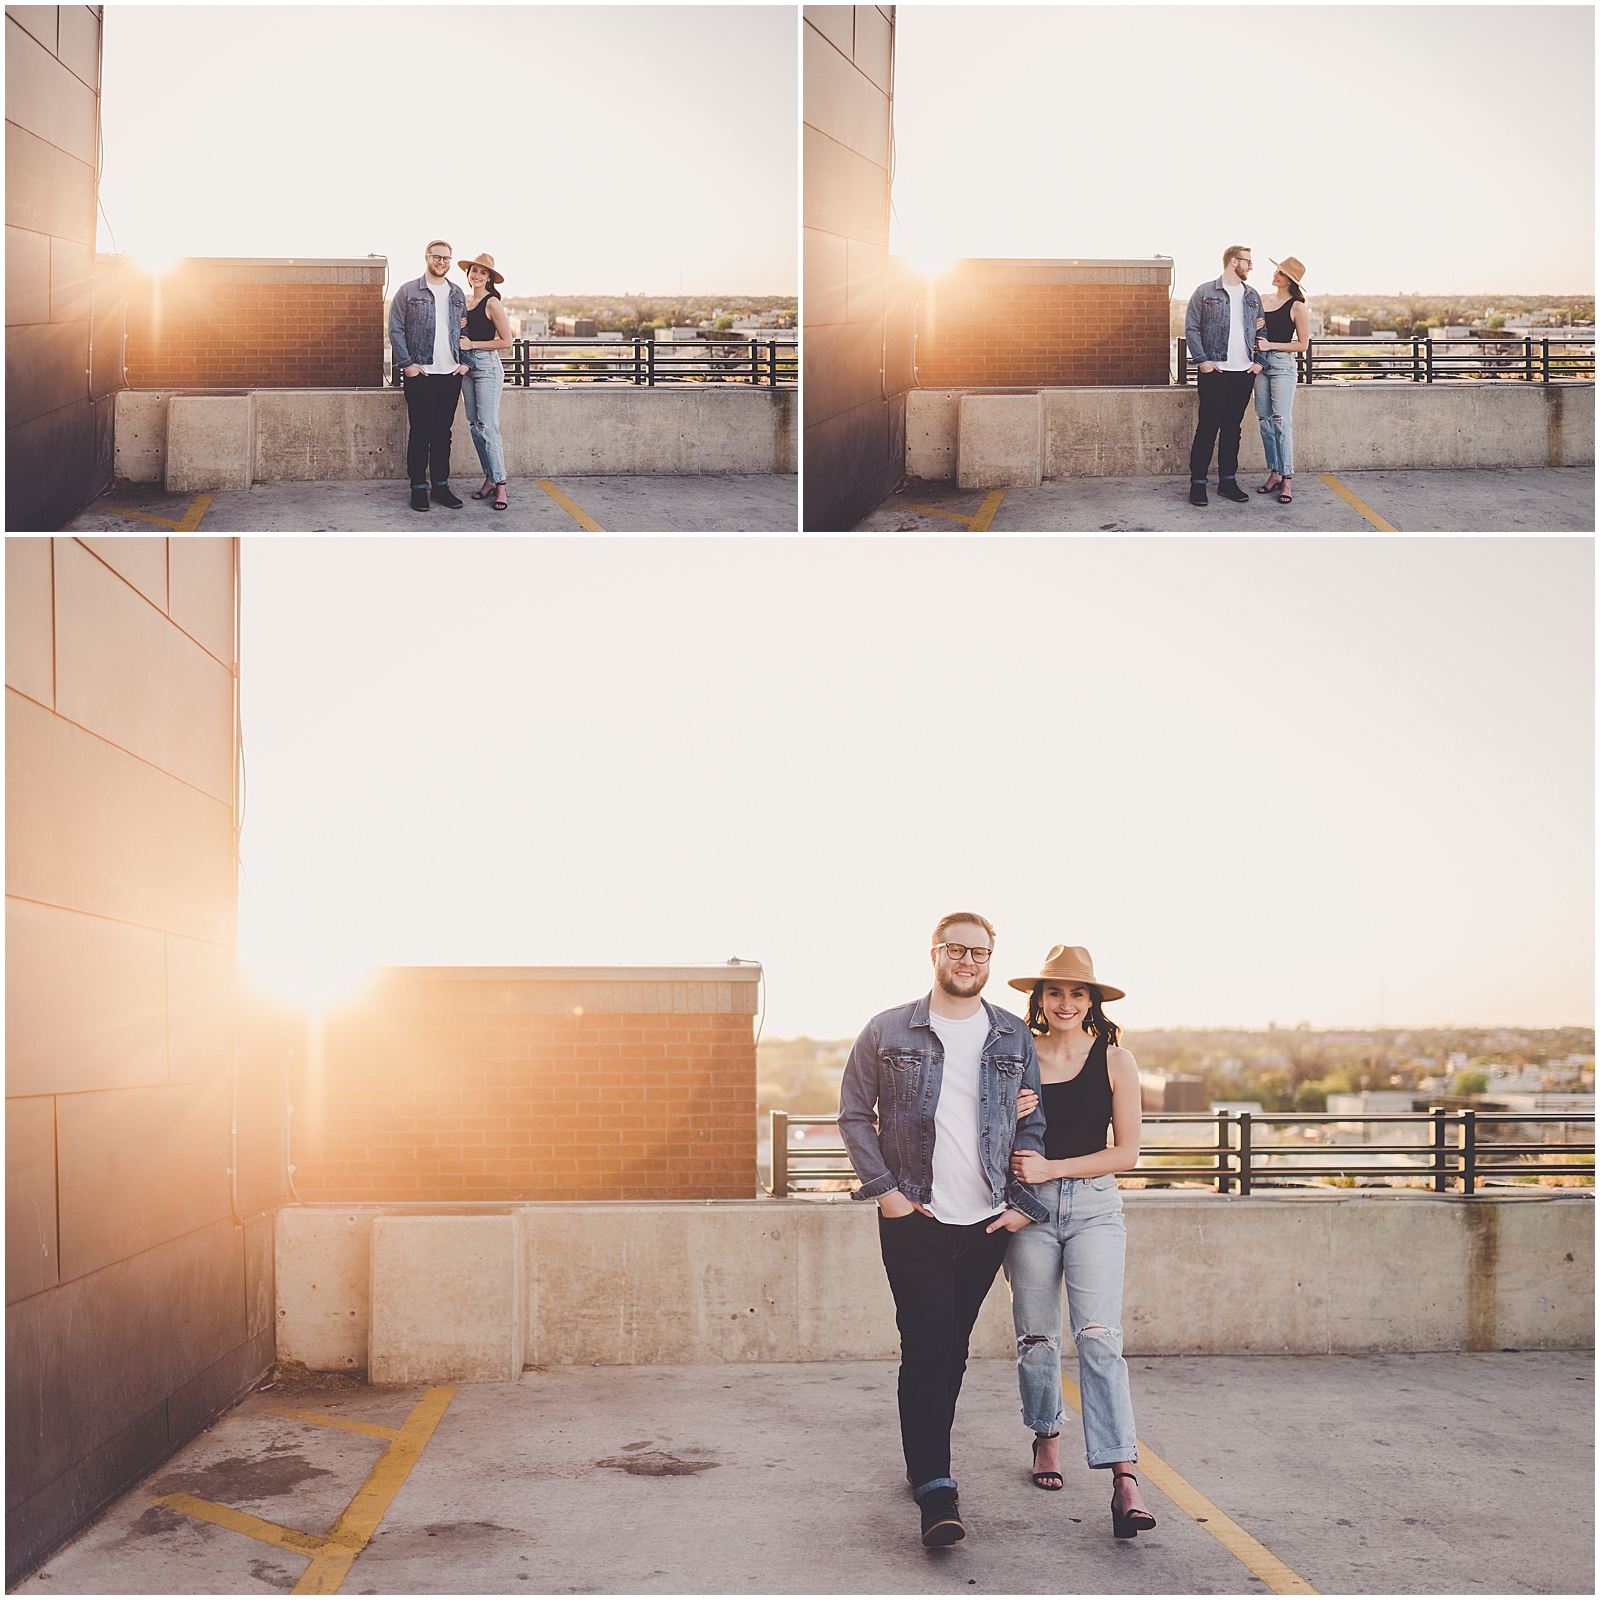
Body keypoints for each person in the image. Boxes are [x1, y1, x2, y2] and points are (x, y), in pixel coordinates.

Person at [837, 913, 1049, 1549]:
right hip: (916, 1219)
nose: (968, 960)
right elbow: (853, 1116)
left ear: (990, 959)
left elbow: (1033, 1127)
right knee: (931, 1346)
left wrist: (1021, 1205)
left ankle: (921, 1457)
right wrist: (891, 1198)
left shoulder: (1012, 1034)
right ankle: (937, 1488)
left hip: (987, 1224)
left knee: (945, 1350)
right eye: (957, 949)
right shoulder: (888, 1029)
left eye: (980, 952)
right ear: (935, 952)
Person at [1003, 945, 1157, 1541]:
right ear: (1038, 1001)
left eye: (1077, 992)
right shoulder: (1020, 1059)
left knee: (1099, 1338)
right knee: (1037, 1336)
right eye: (1054, 992)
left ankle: (1124, 1475)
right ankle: (1047, 1434)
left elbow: (1127, 1153)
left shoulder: (1117, 1060)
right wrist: (1006, 1108)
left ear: (1092, 1001)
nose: (1065, 1003)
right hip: (1031, 1213)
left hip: (1095, 1208)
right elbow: (985, 1130)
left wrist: (1052, 1168)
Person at [388, 241, 469, 514]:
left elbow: (463, 333)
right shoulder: (408, 291)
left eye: (446, 258)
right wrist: (407, 365)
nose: (442, 262)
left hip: (450, 374)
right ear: (427, 258)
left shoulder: (457, 293)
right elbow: (395, 330)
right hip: (420, 374)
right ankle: (419, 489)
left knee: (442, 434)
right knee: (420, 433)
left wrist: (464, 363)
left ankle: (442, 488)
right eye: (437, 257)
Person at [1184, 245, 1265, 507]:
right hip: (1215, 372)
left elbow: (1262, 331)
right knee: (1207, 428)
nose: (1251, 267)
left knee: (1233, 430)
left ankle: (1227, 482)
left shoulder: (1252, 295)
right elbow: (1191, 328)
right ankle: (1198, 485)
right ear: (1233, 261)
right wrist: (1203, 362)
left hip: (1244, 373)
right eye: (1248, 262)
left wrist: (1258, 364)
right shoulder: (1205, 291)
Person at [457, 252, 514, 512]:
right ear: (468, 275)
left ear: (489, 278)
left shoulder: (492, 303)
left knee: (488, 426)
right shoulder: (464, 301)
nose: (477, 275)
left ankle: (500, 483)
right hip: (466, 368)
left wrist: (474, 344)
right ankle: (489, 478)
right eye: (473, 271)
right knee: (474, 426)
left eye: (483, 272)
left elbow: (506, 341)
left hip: (487, 367)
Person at [1253, 256, 1311, 505]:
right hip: (1259, 365)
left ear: (1290, 280)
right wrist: (1253, 326)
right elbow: (1251, 331)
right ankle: (1274, 473)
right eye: (1276, 271)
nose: (1275, 275)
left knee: (1281, 421)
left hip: (1281, 366)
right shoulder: (1262, 300)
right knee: (1265, 421)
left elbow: (1303, 345)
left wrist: (1271, 345)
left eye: (1281, 273)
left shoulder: (1297, 306)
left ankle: (1287, 477)